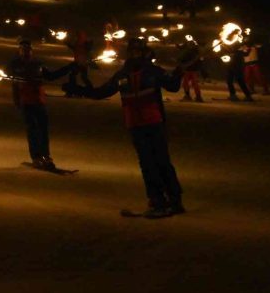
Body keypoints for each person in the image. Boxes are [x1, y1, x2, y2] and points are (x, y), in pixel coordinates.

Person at [65, 38, 185, 218]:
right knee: (146, 163)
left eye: (138, 52)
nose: (135, 55)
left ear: (144, 53)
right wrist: (78, 89)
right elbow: (101, 93)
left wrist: (178, 72)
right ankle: (156, 200)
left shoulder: (153, 72)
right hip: (135, 125)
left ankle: (175, 200)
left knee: (161, 161)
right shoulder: (122, 75)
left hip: (154, 123)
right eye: (132, 52)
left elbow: (174, 86)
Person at [5, 40, 72, 169]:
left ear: (31, 50)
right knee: (32, 129)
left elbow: (51, 76)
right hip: (26, 101)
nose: (26, 51)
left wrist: (69, 67)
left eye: (28, 49)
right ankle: (36, 157)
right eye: (23, 49)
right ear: (19, 51)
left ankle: (46, 155)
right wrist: (17, 100)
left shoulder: (37, 64)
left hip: (39, 101)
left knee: (43, 129)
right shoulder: (15, 65)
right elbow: (11, 81)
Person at [65, 31, 93, 96]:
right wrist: (68, 44)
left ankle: (90, 90)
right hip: (78, 61)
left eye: (80, 35)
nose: (78, 37)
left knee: (79, 76)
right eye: (78, 35)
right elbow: (75, 48)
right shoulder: (78, 42)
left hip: (83, 62)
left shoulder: (85, 42)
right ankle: (72, 91)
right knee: (76, 76)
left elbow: (88, 50)